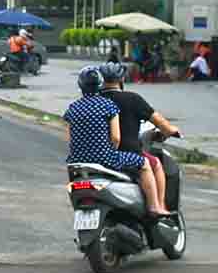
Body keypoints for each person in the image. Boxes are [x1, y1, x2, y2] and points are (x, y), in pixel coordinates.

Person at [64, 65, 169, 216]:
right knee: (144, 163)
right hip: (106, 157)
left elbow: (70, 139)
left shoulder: (72, 108)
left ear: (80, 86)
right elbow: (115, 137)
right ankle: (154, 206)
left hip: (77, 161)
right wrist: (111, 151)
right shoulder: (109, 106)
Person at [97, 62, 182, 211]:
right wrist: (171, 130)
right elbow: (160, 122)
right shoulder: (132, 99)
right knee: (155, 163)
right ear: (121, 79)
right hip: (126, 154)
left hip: (97, 156)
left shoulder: (94, 101)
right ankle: (158, 207)